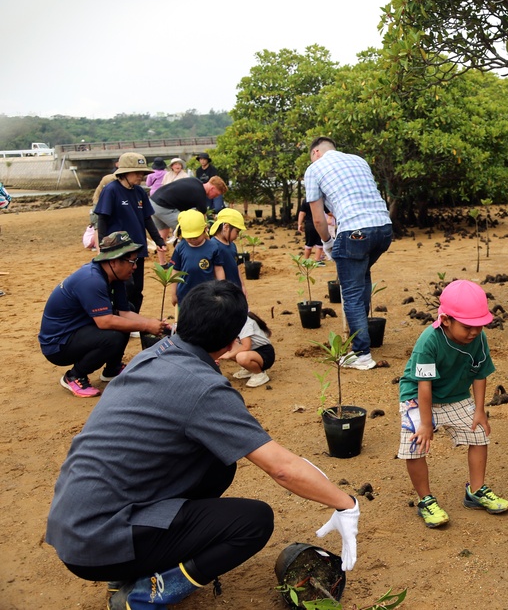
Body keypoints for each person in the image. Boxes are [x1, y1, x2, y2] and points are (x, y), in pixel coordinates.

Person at [45, 280, 359, 610]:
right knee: (253, 522)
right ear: (230, 342)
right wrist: (346, 504)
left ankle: (134, 565)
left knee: (217, 466)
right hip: (99, 541)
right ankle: (142, 596)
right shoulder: (203, 388)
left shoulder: (153, 354)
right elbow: (281, 468)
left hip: (75, 522)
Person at [397, 280, 508, 528]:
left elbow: (480, 373)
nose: (474, 332)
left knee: (479, 433)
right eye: (468, 326)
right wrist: (426, 424)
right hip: (418, 395)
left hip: (456, 394)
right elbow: (424, 386)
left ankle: (476, 491)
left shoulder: (478, 339)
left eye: (479, 326)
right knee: (415, 444)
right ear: (446, 320)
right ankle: (425, 500)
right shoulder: (429, 341)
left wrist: (480, 410)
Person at [38, 232, 171, 397]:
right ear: (114, 262)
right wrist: (145, 326)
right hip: (58, 344)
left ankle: (112, 369)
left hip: (79, 330)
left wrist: (154, 324)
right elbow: (104, 322)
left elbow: (125, 312)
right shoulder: (91, 280)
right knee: (112, 336)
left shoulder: (115, 277)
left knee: (125, 313)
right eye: (132, 261)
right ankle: (74, 376)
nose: (135, 266)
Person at [305, 136, 392, 370]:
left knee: (351, 292)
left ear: (316, 153)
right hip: (384, 229)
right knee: (361, 279)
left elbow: (317, 218)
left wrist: (326, 243)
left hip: (355, 232)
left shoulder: (314, 169)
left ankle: (361, 353)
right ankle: (361, 340)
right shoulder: (358, 160)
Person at [92, 152, 168, 314]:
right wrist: (104, 247)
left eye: (142, 172)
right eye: (137, 172)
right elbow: (102, 220)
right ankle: (120, 315)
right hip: (118, 249)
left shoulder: (140, 192)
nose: (140, 176)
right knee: (125, 285)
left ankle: (133, 316)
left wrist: (159, 241)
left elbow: (147, 219)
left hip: (138, 247)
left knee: (137, 287)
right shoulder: (111, 190)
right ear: (125, 173)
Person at [169, 210, 224, 306]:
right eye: (189, 237)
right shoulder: (180, 247)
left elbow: (218, 269)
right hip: (184, 294)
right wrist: (173, 293)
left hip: (207, 293)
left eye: (196, 236)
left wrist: (222, 288)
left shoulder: (213, 247)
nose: (193, 240)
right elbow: (175, 271)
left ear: (205, 230)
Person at [150, 175, 227, 243]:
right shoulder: (200, 195)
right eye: (217, 194)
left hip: (153, 201)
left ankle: (162, 260)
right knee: (189, 231)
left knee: (162, 236)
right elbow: (202, 223)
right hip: (163, 206)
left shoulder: (195, 181)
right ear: (212, 188)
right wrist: (208, 240)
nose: (216, 197)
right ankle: (184, 257)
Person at [221, 311, 274, 387]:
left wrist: (229, 355)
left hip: (264, 353)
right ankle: (249, 369)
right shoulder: (234, 320)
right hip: (252, 351)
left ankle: (259, 374)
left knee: (241, 357)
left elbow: (246, 346)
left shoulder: (244, 323)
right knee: (230, 347)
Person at [209, 207, 247, 298]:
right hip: (224, 293)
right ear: (226, 227)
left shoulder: (232, 245)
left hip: (235, 290)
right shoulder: (214, 246)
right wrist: (223, 292)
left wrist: (242, 286)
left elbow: (236, 266)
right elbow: (216, 271)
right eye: (237, 232)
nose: (237, 236)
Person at [296, 198, 326, 265]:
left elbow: (302, 213)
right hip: (320, 224)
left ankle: (306, 261)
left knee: (309, 243)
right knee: (319, 242)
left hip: (309, 225)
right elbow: (328, 212)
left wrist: (299, 224)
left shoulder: (306, 200)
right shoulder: (321, 200)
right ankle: (317, 260)